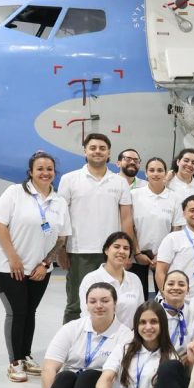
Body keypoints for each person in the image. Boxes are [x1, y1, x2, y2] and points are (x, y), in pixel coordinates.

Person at [0, 150, 70, 382]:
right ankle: (15, 362)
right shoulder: (15, 193)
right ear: (31, 172)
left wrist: (45, 263)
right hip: (6, 266)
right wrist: (13, 258)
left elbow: (61, 238)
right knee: (17, 312)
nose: (45, 173)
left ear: (54, 173)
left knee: (30, 312)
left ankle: (25, 355)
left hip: (39, 269)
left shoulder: (59, 201)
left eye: (49, 169)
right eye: (40, 169)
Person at [58, 133, 135, 322]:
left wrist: (128, 251)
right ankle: (73, 346)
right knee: (77, 303)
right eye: (93, 148)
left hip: (111, 252)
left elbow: (126, 218)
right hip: (79, 251)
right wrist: (60, 250)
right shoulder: (69, 179)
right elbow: (62, 218)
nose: (97, 151)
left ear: (109, 153)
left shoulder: (120, 182)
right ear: (85, 151)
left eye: (102, 148)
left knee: (112, 302)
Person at [155, 195, 194, 296]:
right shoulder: (172, 238)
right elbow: (160, 272)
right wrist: (167, 297)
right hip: (172, 300)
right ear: (184, 213)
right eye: (192, 210)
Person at [129, 157, 174, 299]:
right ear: (146, 173)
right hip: (138, 255)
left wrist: (161, 255)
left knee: (164, 297)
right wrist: (136, 253)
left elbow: (176, 230)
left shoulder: (174, 197)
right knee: (137, 298)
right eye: (152, 170)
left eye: (160, 170)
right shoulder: (134, 195)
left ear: (165, 173)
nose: (156, 173)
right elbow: (129, 227)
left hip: (164, 257)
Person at [79, 231, 144, 328]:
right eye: (117, 247)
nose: (121, 251)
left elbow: (141, 314)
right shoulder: (91, 279)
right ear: (106, 250)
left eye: (126, 248)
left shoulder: (135, 279)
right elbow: (87, 315)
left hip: (129, 338)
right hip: (100, 336)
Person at [156, 271, 194, 354]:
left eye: (181, 285)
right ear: (163, 288)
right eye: (171, 284)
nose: (175, 287)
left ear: (188, 290)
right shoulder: (151, 314)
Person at [166, 148, 194, 228]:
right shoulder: (167, 183)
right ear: (178, 162)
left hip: (191, 233)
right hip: (167, 231)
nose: (190, 164)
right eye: (186, 160)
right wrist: (165, 180)